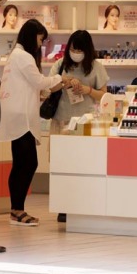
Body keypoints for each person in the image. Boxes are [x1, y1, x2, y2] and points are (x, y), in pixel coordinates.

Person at [0, 18, 63, 226]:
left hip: (16, 115)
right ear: (32, 36)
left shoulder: (16, 55)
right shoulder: (23, 56)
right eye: (40, 39)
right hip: (21, 118)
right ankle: (17, 209)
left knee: (21, 164)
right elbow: (39, 82)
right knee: (28, 163)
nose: (40, 44)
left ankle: (16, 210)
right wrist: (60, 80)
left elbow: (29, 86)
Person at [48, 30, 109, 223]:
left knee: (84, 166)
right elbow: (49, 87)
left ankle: (83, 205)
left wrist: (87, 89)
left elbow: (104, 95)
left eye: (79, 50)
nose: (76, 53)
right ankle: (63, 206)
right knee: (60, 166)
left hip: (86, 125)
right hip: (61, 122)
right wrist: (63, 82)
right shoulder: (59, 65)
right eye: (73, 49)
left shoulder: (96, 67)